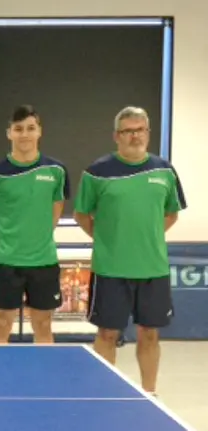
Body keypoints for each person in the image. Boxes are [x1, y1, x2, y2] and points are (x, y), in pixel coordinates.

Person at [74, 106, 187, 396]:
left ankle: (150, 394)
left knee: (149, 334)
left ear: (148, 133)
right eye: (128, 131)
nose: (134, 135)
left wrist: (145, 238)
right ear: (116, 136)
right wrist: (111, 240)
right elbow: (83, 215)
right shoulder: (97, 172)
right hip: (110, 269)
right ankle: (104, 394)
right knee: (107, 334)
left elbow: (171, 214)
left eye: (140, 129)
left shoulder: (165, 171)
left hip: (153, 269)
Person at [0, 105, 70, 344]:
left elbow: (57, 207)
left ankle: (42, 379)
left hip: (44, 262)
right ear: (9, 133)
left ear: (40, 131)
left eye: (30, 128)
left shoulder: (56, 171)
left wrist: (39, 236)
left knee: (43, 324)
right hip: (5, 264)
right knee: (1, 324)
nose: (24, 134)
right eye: (18, 129)